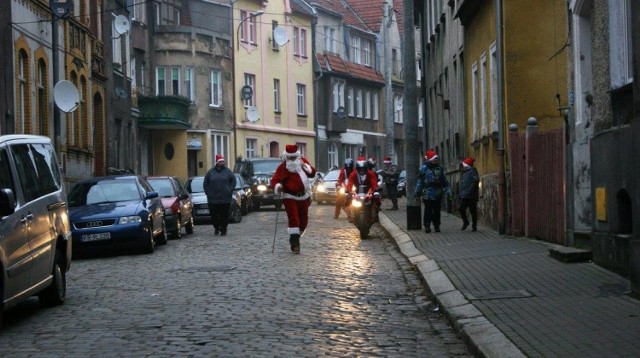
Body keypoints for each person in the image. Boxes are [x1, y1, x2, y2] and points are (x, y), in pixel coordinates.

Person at [271, 144, 317, 254]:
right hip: (289, 196)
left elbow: (312, 173)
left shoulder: (302, 162)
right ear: (287, 157)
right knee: (294, 219)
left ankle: (294, 237)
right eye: (290, 158)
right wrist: (278, 186)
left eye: (293, 158)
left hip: (303, 196)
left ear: (297, 156)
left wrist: (307, 168)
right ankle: (295, 244)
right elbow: (274, 180)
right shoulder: (283, 167)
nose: (292, 160)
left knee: (303, 221)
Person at [415, 149, 451, 233]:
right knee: (428, 210)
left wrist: (448, 190)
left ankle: (436, 225)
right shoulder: (423, 168)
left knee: (437, 210)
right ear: (431, 159)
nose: (436, 160)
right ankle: (427, 225)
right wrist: (417, 192)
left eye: (437, 159)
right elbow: (420, 181)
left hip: (438, 193)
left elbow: (444, 181)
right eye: (435, 159)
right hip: (427, 193)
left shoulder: (440, 168)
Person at [203, 154, 236, 236]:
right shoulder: (210, 172)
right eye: (220, 162)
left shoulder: (228, 171)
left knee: (224, 215)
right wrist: (208, 193)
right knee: (214, 216)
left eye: (223, 161)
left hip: (225, 198)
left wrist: (230, 189)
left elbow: (233, 181)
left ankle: (224, 229)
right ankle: (216, 227)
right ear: (217, 163)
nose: (222, 163)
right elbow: (205, 183)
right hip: (213, 199)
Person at [346, 156, 381, 221]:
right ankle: (351, 215)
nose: (361, 170)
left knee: (377, 198)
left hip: (369, 190)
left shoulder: (371, 173)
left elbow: (374, 182)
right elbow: (350, 182)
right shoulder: (353, 174)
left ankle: (376, 213)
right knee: (348, 199)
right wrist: (348, 190)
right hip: (358, 191)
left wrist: (375, 188)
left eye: (363, 168)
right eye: (360, 169)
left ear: (365, 168)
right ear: (357, 168)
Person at [458, 157, 480, 231]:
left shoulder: (472, 171)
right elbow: (463, 185)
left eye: (464, 165)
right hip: (465, 195)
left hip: (471, 195)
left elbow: (476, 180)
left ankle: (474, 225)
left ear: (467, 165)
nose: (463, 166)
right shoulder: (465, 173)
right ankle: (466, 222)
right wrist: (461, 194)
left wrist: (470, 190)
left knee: (473, 211)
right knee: (461, 209)